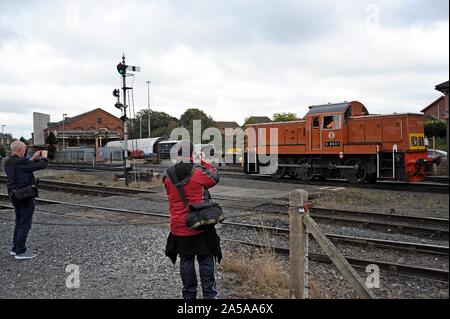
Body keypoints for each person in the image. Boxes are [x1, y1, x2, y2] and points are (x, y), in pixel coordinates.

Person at [163, 141, 222, 299]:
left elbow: (171, 192)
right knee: (205, 260)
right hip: (200, 224)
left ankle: (189, 296)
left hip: (179, 225)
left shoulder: (167, 174)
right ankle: (209, 295)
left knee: (186, 260)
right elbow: (214, 178)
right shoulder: (198, 171)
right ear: (192, 154)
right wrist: (203, 161)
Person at [4, 141, 48, 260]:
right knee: (25, 224)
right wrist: (44, 157)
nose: (25, 151)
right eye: (24, 149)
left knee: (18, 223)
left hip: (15, 195)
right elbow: (41, 165)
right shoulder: (21, 161)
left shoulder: (8, 162)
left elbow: (24, 167)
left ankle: (15, 248)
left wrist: (32, 158)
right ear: (19, 150)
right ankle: (20, 251)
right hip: (25, 196)